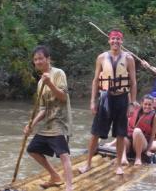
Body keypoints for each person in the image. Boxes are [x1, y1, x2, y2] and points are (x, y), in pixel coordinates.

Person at [78, 29, 137, 175]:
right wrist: (92, 101)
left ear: (121, 41)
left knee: (121, 134)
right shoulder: (101, 57)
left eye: (118, 39)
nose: (115, 42)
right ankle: (88, 163)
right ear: (109, 41)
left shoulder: (129, 58)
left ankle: (118, 165)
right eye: (113, 39)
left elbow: (133, 83)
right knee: (95, 132)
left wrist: (132, 103)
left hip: (122, 98)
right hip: (105, 98)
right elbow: (95, 80)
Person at [24, 45, 73, 191]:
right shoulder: (40, 83)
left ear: (48, 59)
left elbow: (63, 97)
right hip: (48, 123)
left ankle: (69, 187)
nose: (38, 62)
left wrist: (50, 83)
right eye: (35, 59)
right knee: (32, 149)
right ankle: (55, 176)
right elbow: (43, 109)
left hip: (60, 120)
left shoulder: (58, 73)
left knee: (63, 154)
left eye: (41, 58)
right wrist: (31, 124)